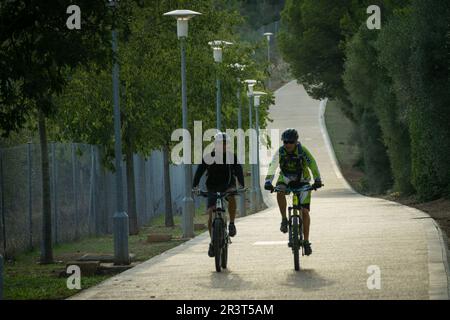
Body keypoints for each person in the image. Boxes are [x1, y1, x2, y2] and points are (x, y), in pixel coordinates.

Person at [264, 128, 322, 256]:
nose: (288, 145)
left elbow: (312, 164)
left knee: (305, 212)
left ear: (296, 142)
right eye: (285, 142)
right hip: (285, 178)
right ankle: (284, 219)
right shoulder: (280, 152)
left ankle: (306, 241)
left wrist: (317, 180)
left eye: (290, 142)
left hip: (302, 179)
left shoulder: (302, 151)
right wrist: (268, 181)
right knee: (279, 191)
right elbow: (273, 166)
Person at [192, 132, 245, 257]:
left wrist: (241, 185)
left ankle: (231, 223)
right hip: (213, 186)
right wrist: (195, 186)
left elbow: (238, 171)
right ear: (215, 145)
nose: (224, 146)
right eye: (221, 144)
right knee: (211, 214)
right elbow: (199, 171)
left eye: (226, 144)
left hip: (228, 185)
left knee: (232, 196)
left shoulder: (232, 157)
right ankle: (212, 242)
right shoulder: (209, 157)